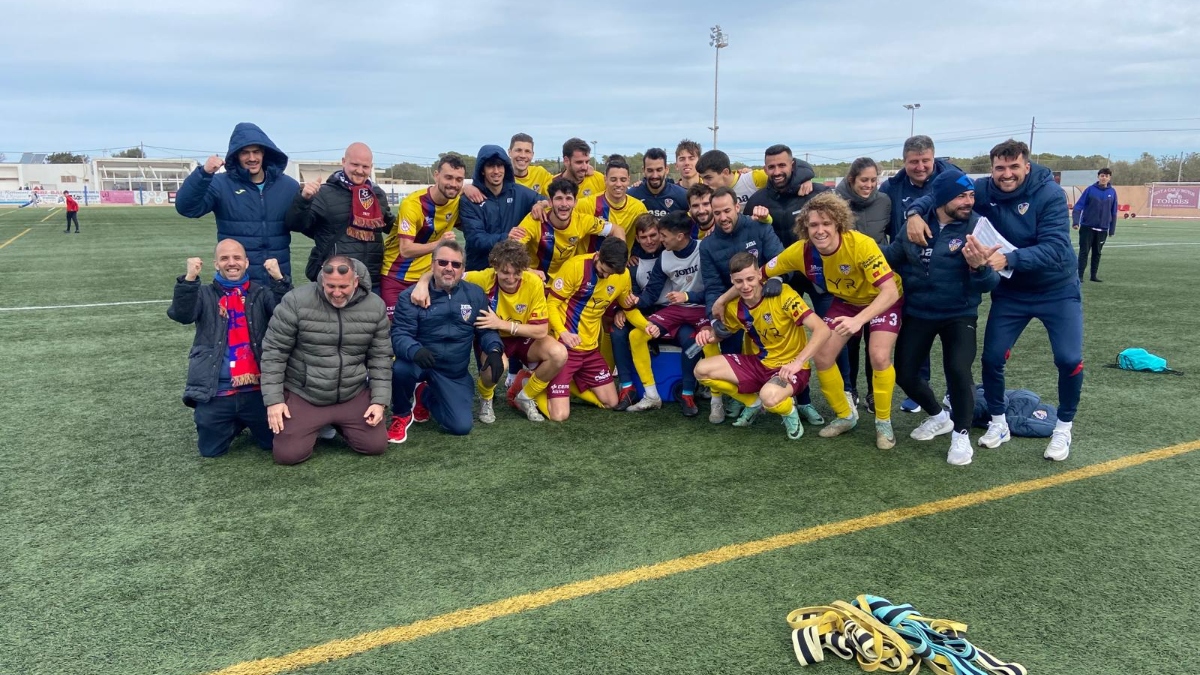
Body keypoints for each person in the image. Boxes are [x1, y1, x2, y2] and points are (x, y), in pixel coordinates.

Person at [906, 139, 1082, 461]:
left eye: (1014, 167)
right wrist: (915, 212)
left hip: (1057, 290)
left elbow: (1057, 247)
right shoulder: (983, 190)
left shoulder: (1050, 193)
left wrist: (1009, 260)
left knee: (1069, 359)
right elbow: (939, 193)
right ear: (992, 169)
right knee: (991, 359)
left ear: (1027, 166)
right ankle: (999, 422)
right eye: (1000, 167)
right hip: (1012, 292)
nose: (1007, 174)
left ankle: (1063, 428)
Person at [756, 192, 903, 449]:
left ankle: (883, 423)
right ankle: (846, 416)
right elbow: (759, 274)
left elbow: (889, 291)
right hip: (845, 301)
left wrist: (858, 321)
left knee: (878, 356)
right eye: (813, 224)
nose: (820, 230)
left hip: (881, 299)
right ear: (805, 227)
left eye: (826, 223)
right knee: (823, 356)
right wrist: (724, 300)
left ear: (838, 223)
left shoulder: (861, 244)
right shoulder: (800, 252)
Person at [885, 170, 999, 465]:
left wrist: (980, 269)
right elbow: (890, 257)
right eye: (961, 196)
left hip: (959, 313)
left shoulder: (978, 228)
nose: (968, 201)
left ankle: (961, 436)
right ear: (942, 198)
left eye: (971, 195)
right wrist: (857, 250)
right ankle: (939, 416)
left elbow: (991, 284)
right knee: (905, 373)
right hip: (919, 311)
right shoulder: (915, 225)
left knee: (958, 370)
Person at [259, 256, 392, 465]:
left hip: (351, 392)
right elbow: (274, 352)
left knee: (375, 446)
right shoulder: (295, 301)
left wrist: (379, 401)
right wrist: (274, 401)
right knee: (288, 456)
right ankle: (318, 424)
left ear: (355, 282)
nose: (337, 293)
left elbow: (381, 357)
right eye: (330, 286)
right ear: (322, 280)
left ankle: (337, 423)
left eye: (343, 286)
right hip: (307, 393)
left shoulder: (375, 306)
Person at [168, 240, 291, 458]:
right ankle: (233, 423)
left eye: (237, 258)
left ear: (246, 262)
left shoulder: (260, 293)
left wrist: (279, 279)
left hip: (257, 391)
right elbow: (182, 314)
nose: (231, 263)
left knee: (274, 445)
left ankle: (245, 420)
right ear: (216, 264)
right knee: (211, 451)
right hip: (217, 391)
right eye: (224, 259)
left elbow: (287, 315)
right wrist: (189, 279)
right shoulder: (204, 294)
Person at [693, 253, 832, 440]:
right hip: (761, 364)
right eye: (739, 281)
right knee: (701, 370)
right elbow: (719, 334)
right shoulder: (735, 307)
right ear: (732, 281)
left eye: (750, 279)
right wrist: (706, 332)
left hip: (790, 368)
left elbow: (822, 330)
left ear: (760, 275)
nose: (746, 286)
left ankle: (789, 411)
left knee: (770, 397)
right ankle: (752, 402)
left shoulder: (783, 294)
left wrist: (798, 362)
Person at [389, 241, 505, 442]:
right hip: (420, 361)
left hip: (453, 371)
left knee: (461, 426)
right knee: (401, 369)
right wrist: (415, 350)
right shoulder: (411, 296)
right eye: (443, 262)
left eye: (456, 264)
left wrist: (494, 350)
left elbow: (486, 330)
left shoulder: (475, 294)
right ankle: (401, 413)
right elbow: (399, 335)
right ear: (432, 265)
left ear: (463, 269)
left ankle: (425, 395)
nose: (449, 268)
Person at [878, 135, 960, 413]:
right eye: (914, 161)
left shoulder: (952, 177)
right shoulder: (891, 187)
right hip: (909, 272)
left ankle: (954, 391)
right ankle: (919, 387)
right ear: (905, 162)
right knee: (915, 333)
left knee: (954, 338)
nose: (920, 166)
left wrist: (916, 213)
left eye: (926, 160)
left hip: (949, 270)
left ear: (934, 158)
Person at [175, 123, 300, 284]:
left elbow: (304, 223)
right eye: (245, 153)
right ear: (236, 156)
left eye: (256, 152)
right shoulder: (220, 184)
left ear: (264, 153)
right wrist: (204, 173)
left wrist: (306, 200)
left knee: (280, 309)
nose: (252, 158)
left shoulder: (288, 186)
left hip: (276, 278)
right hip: (237, 280)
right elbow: (187, 208)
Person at [629, 211, 719, 416]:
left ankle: (715, 399)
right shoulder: (665, 256)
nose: (660, 240)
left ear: (679, 236)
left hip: (703, 308)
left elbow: (716, 288)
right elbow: (651, 293)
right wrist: (634, 302)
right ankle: (651, 395)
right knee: (636, 335)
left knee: (707, 340)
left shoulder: (703, 249)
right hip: (677, 310)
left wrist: (688, 297)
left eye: (663, 235)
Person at [543, 237, 637, 421]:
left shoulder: (622, 274)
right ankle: (527, 380)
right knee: (559, 416)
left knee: (611, 402)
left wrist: (623, 310)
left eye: (610, 274)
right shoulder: (575, 267)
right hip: (565, 347)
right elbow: (551, 304)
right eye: (603, 271)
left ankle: (564, 383)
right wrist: (563, 332)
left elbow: (625, 303)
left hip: (590, 350)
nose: (606, 277)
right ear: (598, 255)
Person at [286, 142, 395, 287]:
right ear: (343, 162)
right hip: (335, 280)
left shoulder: (376, 194)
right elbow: (296, 224)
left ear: (371, 167)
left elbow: (389, 226)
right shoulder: (324, 193)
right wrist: (304, 199)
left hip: (371, 280)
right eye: (355, 164)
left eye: (365, 166)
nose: (360, 170)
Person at [835, 158, 892, 414]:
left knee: (874, 341)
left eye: (873, 180)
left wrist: (880, 256)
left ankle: (871, 391)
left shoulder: (885, 201)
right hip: (848, 282)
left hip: (877, 281)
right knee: (849, 340)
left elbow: (893, 236)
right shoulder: (837, 203)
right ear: (851, 180)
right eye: (863, 180)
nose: (869, 185)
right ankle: (850, 389)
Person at [378, 154, 466, 318]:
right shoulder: (412, 205)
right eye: (448, 177)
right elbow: (405, 250)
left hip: (429, 277)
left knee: (427, 329)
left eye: (459, 179)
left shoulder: (458, 200)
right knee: (395, 329)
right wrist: (440, 244)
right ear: (436, 175)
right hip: (396, 276)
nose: (453, 184)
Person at [511, 176, 621, 277]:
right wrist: (530, 272)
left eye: (568, 198)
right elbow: (510, 253)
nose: (564, 204)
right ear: (550, 202)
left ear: (575, 202)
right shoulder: (535, 219)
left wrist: (617, 257)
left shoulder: (582, 221)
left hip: (569, 281)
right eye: (559, 198)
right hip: (538, 281)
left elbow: (617, 229)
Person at [458, 144, 544, 272]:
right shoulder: (469, 200)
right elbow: (475, 239)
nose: (496, 171)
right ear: (482, 170)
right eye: (491, 166)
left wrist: (541, 204)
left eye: (500, 166)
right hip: (479, 270)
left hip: (512, 272)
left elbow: (548, 201)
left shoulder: (519, 193)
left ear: (506, 168)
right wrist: (507, 237)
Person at [610, 214, 663, 411]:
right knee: (617, 330)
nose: (649, 241)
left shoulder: (672, 252)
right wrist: (620, 309)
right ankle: (627, 387)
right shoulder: (632, 262)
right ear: (637, 238)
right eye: (643, 237)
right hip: (642, 311)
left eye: (653, 235)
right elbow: (625, 291)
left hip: (668, 311)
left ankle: (691, 390)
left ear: (660, 234)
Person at [696, 149, 815, 210]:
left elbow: (784, 171)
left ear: (725, 172)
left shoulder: (753, 178)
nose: (704, 183)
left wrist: (803, 178)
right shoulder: (707, 190)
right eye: (702, 178)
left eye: (708, 178)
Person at [575, 154, 648, 252]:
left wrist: (635, 254)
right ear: (605, 180)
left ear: (628, 180)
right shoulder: (586, 205)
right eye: (613, 179)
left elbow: (647, 234)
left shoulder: (638, 208)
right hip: (588, 265)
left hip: (620, 264)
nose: (618, 184)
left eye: (623, 180)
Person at [1072, 167, 1118, 282]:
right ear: (1098, 177)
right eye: (1102, 175)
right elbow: (1078, 206)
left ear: (1109, 178)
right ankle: (1080, 276)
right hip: (1087, 227)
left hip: (1102, 229)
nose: (1104, 178)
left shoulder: (1112, 192)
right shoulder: (1090, 190)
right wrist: (1075, 222)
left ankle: (1093, 276)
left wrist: (1111, 229)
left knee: (1097, 253)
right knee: (1084, 252)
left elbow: (1114, 211)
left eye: (1106, 176)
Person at [628, 148, 690, 218]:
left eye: (659, 170)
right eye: (650, 170)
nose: (655, 175)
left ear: (666, 170)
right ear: (643, 170)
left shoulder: (682, 196)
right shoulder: (631, 196)